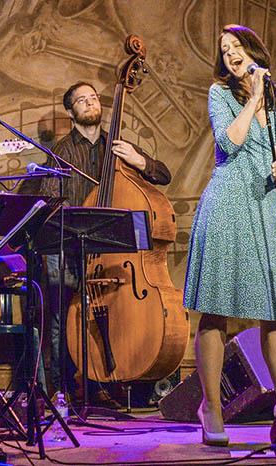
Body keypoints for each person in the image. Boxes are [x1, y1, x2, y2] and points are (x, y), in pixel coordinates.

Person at [183, 24, 276, 446]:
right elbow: (229, 143)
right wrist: (251, 98)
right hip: (228, 204)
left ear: (254, 51)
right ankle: (211, 407)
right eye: (224, 49)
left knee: (275, 315)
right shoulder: (220, 94)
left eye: (236, 46)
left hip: (265, 208)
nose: (230, 53)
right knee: (216, 312)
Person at [22, 81, 171, 405]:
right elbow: (48, 199)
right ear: (70, 110)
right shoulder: (61, 153)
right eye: (81, 100)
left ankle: (107, 383)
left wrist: (140, 160)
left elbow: (163, 175)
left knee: (115, 315)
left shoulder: (118, 149)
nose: (90, 103)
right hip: (71, 249)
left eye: (93, 98)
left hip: (111, 254)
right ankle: (65, 389)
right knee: (65, 319)